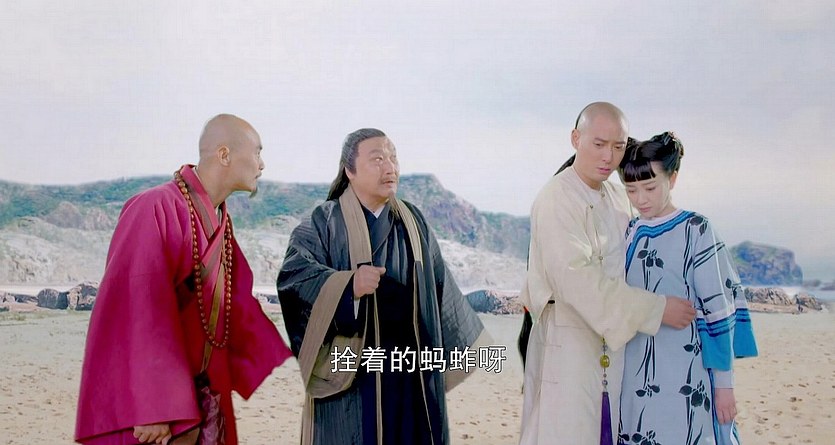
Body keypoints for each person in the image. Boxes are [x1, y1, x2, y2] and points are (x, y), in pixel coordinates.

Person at [75, 114, 293, 445]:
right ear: (224, 154)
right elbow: (138, 307)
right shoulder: (155, 207)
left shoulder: (219, 221)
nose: (262, 164)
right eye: (257, 152)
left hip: (202, 394)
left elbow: (233, 303)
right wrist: (152, 407)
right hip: (159, 411)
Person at [277, 128, 487, 445]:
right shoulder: (324, 222)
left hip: (411, 375)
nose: (390, 167)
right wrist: (348, 286)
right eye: (377, 159)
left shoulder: (414, 222)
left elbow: (441, 294)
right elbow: (294, 277)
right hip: (354, 377)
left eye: (393, 157)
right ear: (349, 170)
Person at [518, 102, 697, 445]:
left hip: (614, 344)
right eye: (598, 144)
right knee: (565, 432)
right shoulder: (556, 198)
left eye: (617, 147)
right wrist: (657, 309)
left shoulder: (618, 196)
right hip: (568, 341)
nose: (608, 157)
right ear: (576, 139)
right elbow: (576, 280)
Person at [617, 132, 758, 445]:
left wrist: (724, 387)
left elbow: (718, 311)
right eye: (631, 190)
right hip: (634, 376)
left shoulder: (696, 229)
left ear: (673, 179)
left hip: (686, 374)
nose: (640, 199)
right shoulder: (628, 231)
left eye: (650, 187)